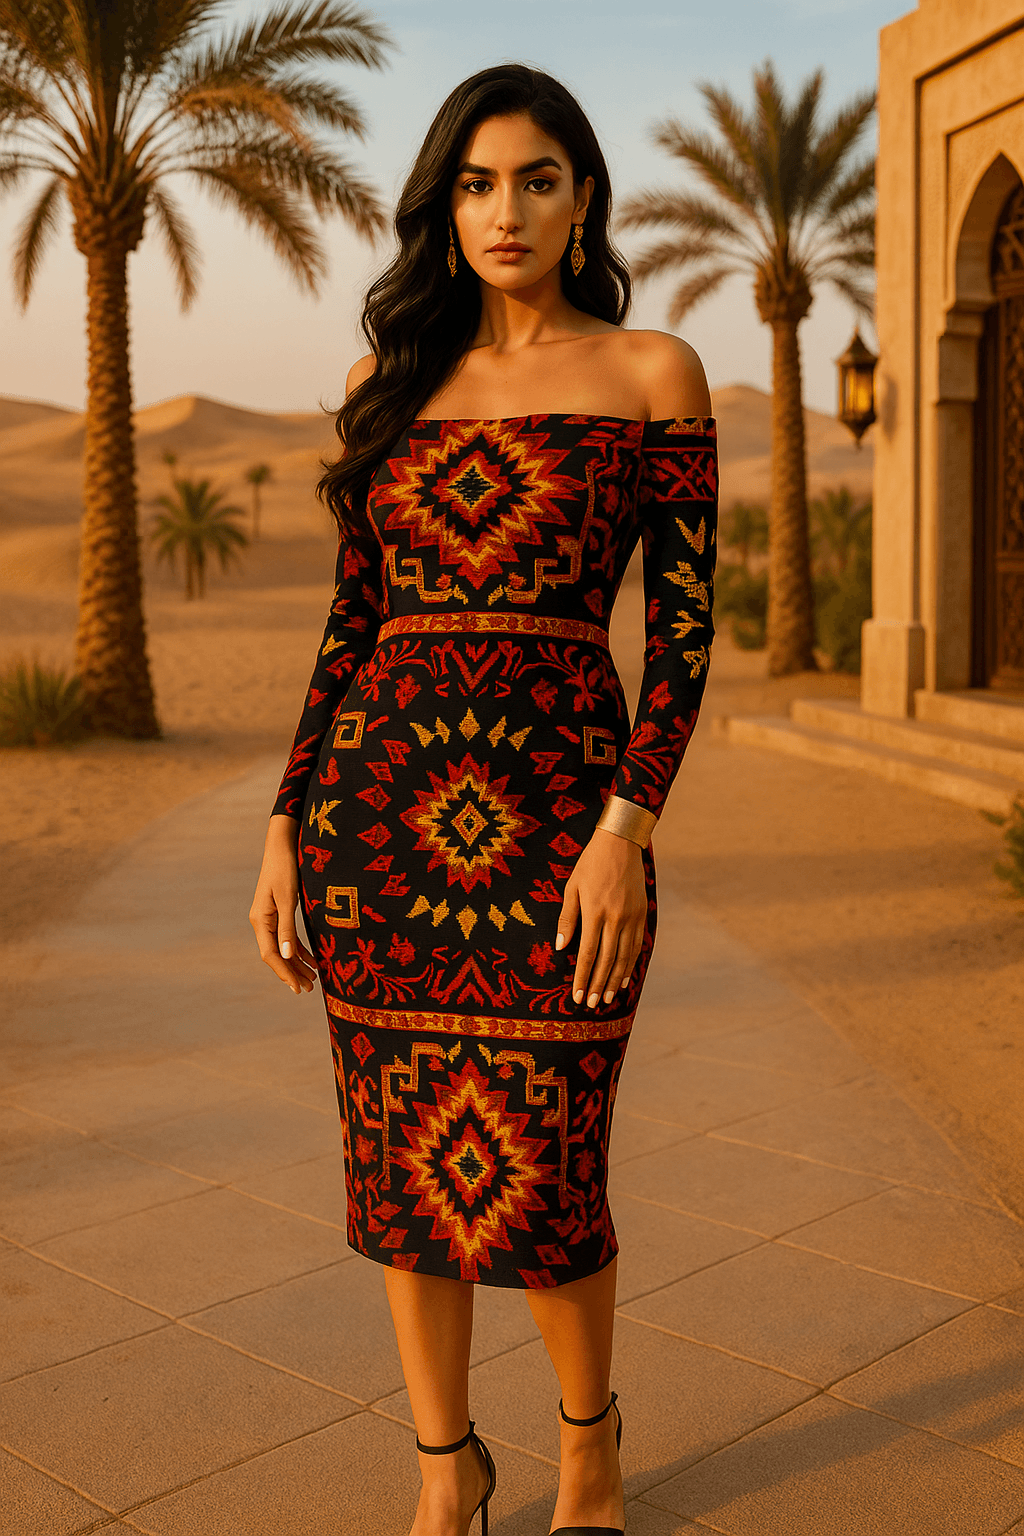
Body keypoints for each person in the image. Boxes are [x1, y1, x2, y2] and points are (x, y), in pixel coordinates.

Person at [250, 63, 716, 1536]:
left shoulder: (654, 374)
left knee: (551, 1162)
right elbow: (350, 627)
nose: (501, 210)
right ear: (441, 206)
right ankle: (445, 1471)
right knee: (404, 1165)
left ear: (585, 201)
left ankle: (590, 1444)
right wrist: (281, 824)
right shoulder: (386, 386)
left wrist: (626, 834)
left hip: (565, 838)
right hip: (373, 834)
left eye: (534, 179)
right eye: (472, 182)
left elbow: (689, 638)